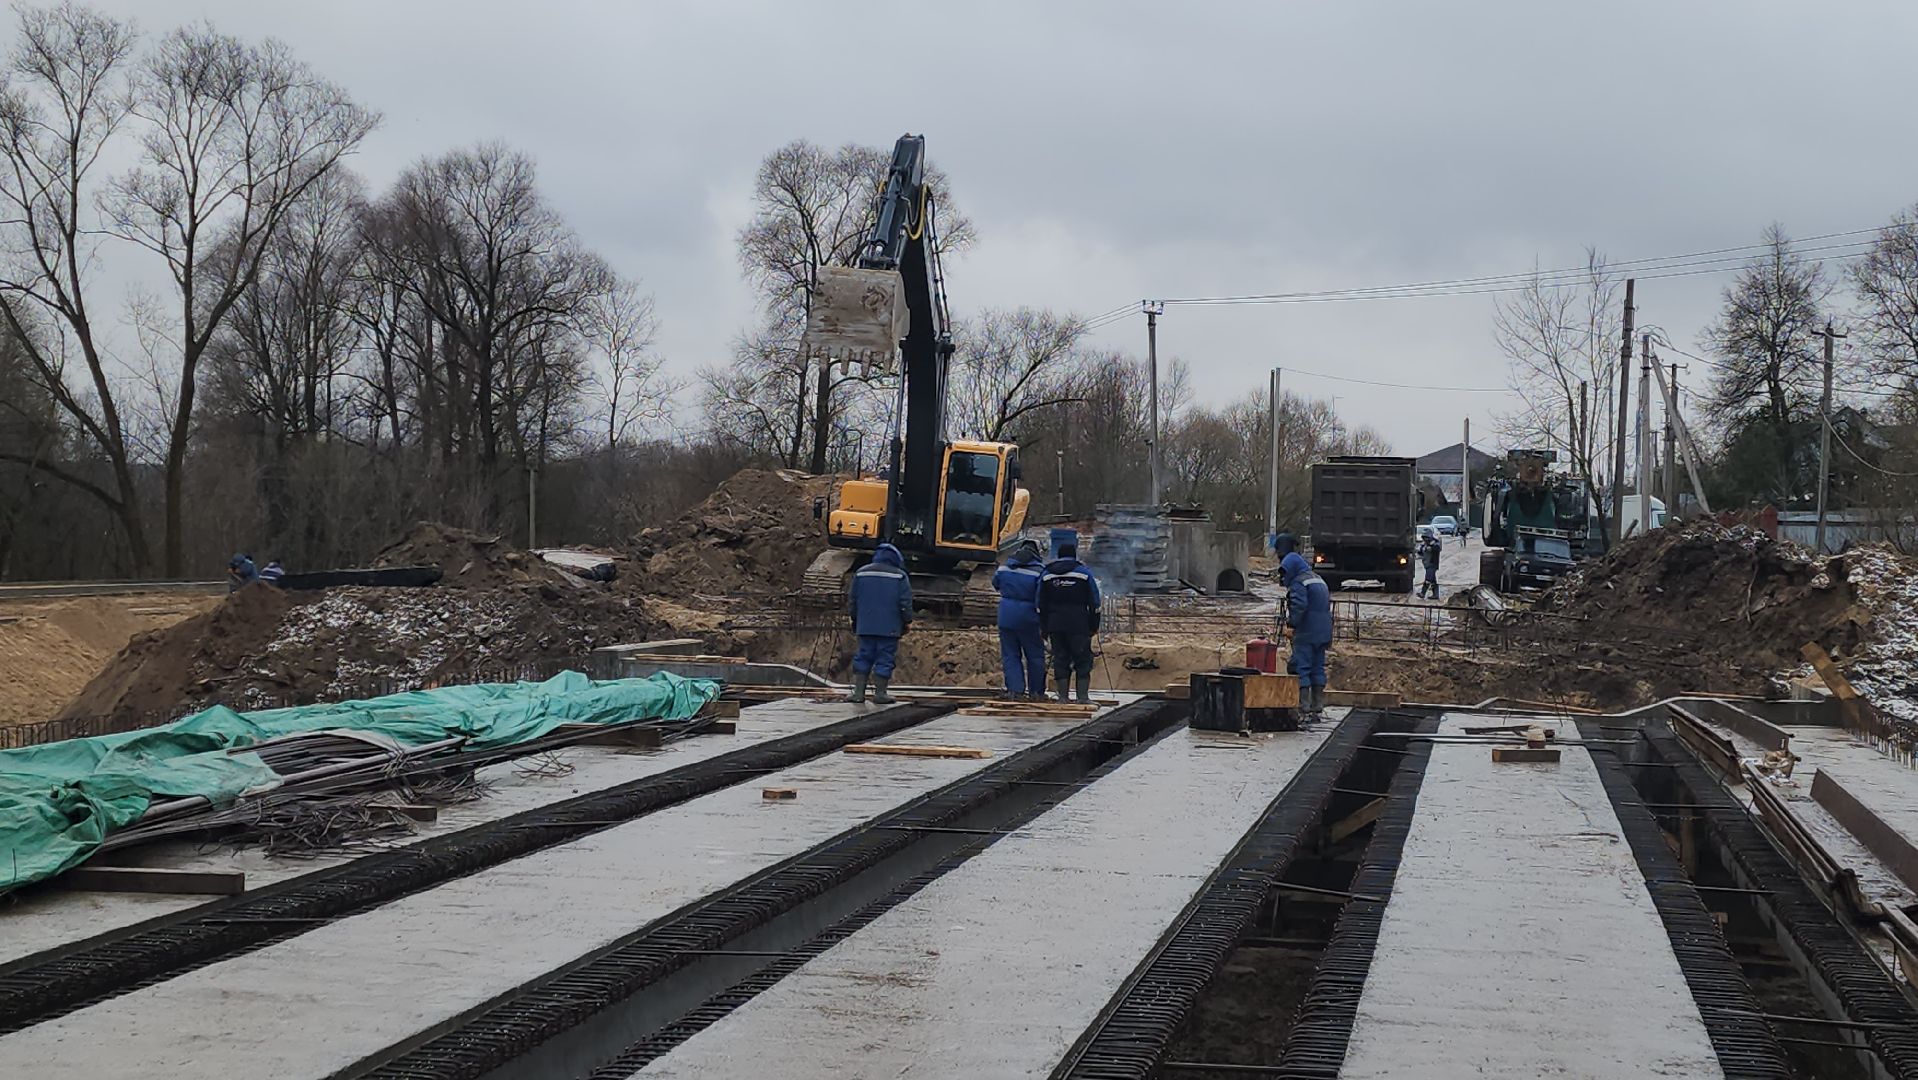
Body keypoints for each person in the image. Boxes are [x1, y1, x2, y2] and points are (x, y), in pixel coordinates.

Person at [846, 542, 913, 704]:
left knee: (863, 655)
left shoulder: (861, 573)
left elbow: (852, 600)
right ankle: (880, 693)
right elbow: (905, 603)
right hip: (889, 627)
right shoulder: (899, 576)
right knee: (885, 657)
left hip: (865, 626)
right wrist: (907, 621)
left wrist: (855, 618)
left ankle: (858, 693)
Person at [1038, 543, 1101, 704]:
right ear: (1074, 555)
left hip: (1055, 624)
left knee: (1060, 658)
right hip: (1079, 623)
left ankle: (1063, 697)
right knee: (1082, 659)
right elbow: (1095, 602)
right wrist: (1094, 626)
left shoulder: (1046, 575)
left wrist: (1044, 628)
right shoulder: (1084, 574)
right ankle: (1083, 698)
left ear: (1058, 555)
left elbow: (1040, 604)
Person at [1280, 551, 1333, 721]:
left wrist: (1291, 624)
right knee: (1317, 666)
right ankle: (1317, 705)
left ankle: (1303, 706)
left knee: (1302, 667)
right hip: (1324, 631)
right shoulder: (1318, 579)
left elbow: (1299, 605)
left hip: (1307, 631)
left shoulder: (1299, 582)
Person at [993, 540, 1047, 701]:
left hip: (1006, 616)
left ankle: (1015, 691)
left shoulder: (1004, 567)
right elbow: (1042, 596)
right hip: (1029, 618)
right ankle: (1036, 692)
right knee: (1035, 655)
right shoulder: (1039, 571)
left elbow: (995, 583)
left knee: (1010, 655)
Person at [1417, 534, 1440, 599]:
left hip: (1432, 564)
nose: (1425, 540)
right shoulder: (1424, 544)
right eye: (1424, 538)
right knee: (1433, 581)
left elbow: (1437, 548)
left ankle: (1422, 593)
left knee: (1428, 579)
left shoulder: (1435, 544)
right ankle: (1436, 595)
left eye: (1426, 538)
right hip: (1427, 564)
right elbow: (1420, 552)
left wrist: (1430, 547)